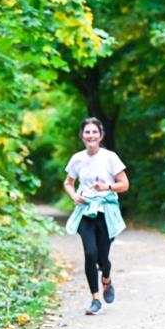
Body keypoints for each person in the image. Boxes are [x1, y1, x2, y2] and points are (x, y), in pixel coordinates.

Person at [63, 118, 129, 315]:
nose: (91, 135)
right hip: (86, 212)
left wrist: (106, 187)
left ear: (100, 135)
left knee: (103, 258)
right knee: (90, 254)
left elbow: (124, 184)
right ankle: (95, 299)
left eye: (94, 132)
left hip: (107, 212)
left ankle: (106, 279)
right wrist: (75, 196)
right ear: (82, 136)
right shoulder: (77, 158)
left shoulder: (110, 157)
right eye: (87, 132)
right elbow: (68, 182)